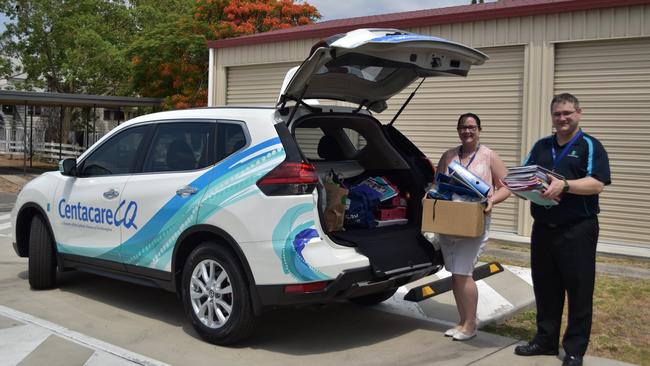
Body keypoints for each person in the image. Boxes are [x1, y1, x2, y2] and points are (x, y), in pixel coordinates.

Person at [514, 93, 611, 366]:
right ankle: (545, 341)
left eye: (567, 113)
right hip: (543, 227)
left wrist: (565, 185)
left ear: (579, 113)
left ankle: (574, 350)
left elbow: (598, 183)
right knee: (545, 287)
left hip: (577, 229)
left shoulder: (590, 145)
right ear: (552, 117)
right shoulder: (542, 145)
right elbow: (525, 176)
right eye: (557, 114)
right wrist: (523, 190)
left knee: (579, 290)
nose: (562, 118)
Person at [436, 113, 510, 341]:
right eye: (463, 127)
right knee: (455, 273)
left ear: (479, 129)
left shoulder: (489, 156)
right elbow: (436, 183)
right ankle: (461, 321)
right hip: (450, 220)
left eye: (472, 127)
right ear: (458, 130)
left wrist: (492, 201)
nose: (467, 131)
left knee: (464, 271)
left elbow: (506, 186)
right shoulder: (449, 156)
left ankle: (470, 324)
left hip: (474, 220)